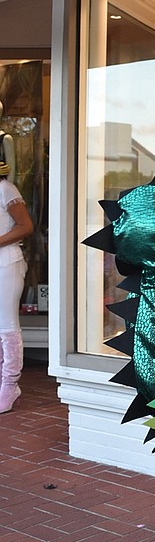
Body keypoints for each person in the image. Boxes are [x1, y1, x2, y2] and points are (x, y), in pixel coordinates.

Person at [0, 140, 32, 414]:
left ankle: (10, 386)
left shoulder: (5, 188)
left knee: (7, 324)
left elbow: (26, 226)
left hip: (7, 263)